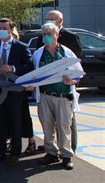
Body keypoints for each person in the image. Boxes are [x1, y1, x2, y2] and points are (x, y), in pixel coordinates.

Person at [31, 22, 82, 170]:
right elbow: (34, 74)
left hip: (63, 96)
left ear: (57, 35)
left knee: (64, 127)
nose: (46, 37)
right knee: (47, 127)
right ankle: (51, 153)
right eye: (44, 34)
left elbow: (78, 73)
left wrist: (71, 81)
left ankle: (66, 156)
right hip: (45, 96)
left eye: (49, 34)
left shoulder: (66, 53)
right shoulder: (38, 54)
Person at [0, 18, 33, 167]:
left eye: (4, 28)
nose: (1, 30)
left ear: (11, 29)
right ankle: (0, 151)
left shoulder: (21, 46)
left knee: (15, 122)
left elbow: (29, 66)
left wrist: (13, 68)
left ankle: (15, 153)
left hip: (14, 92)